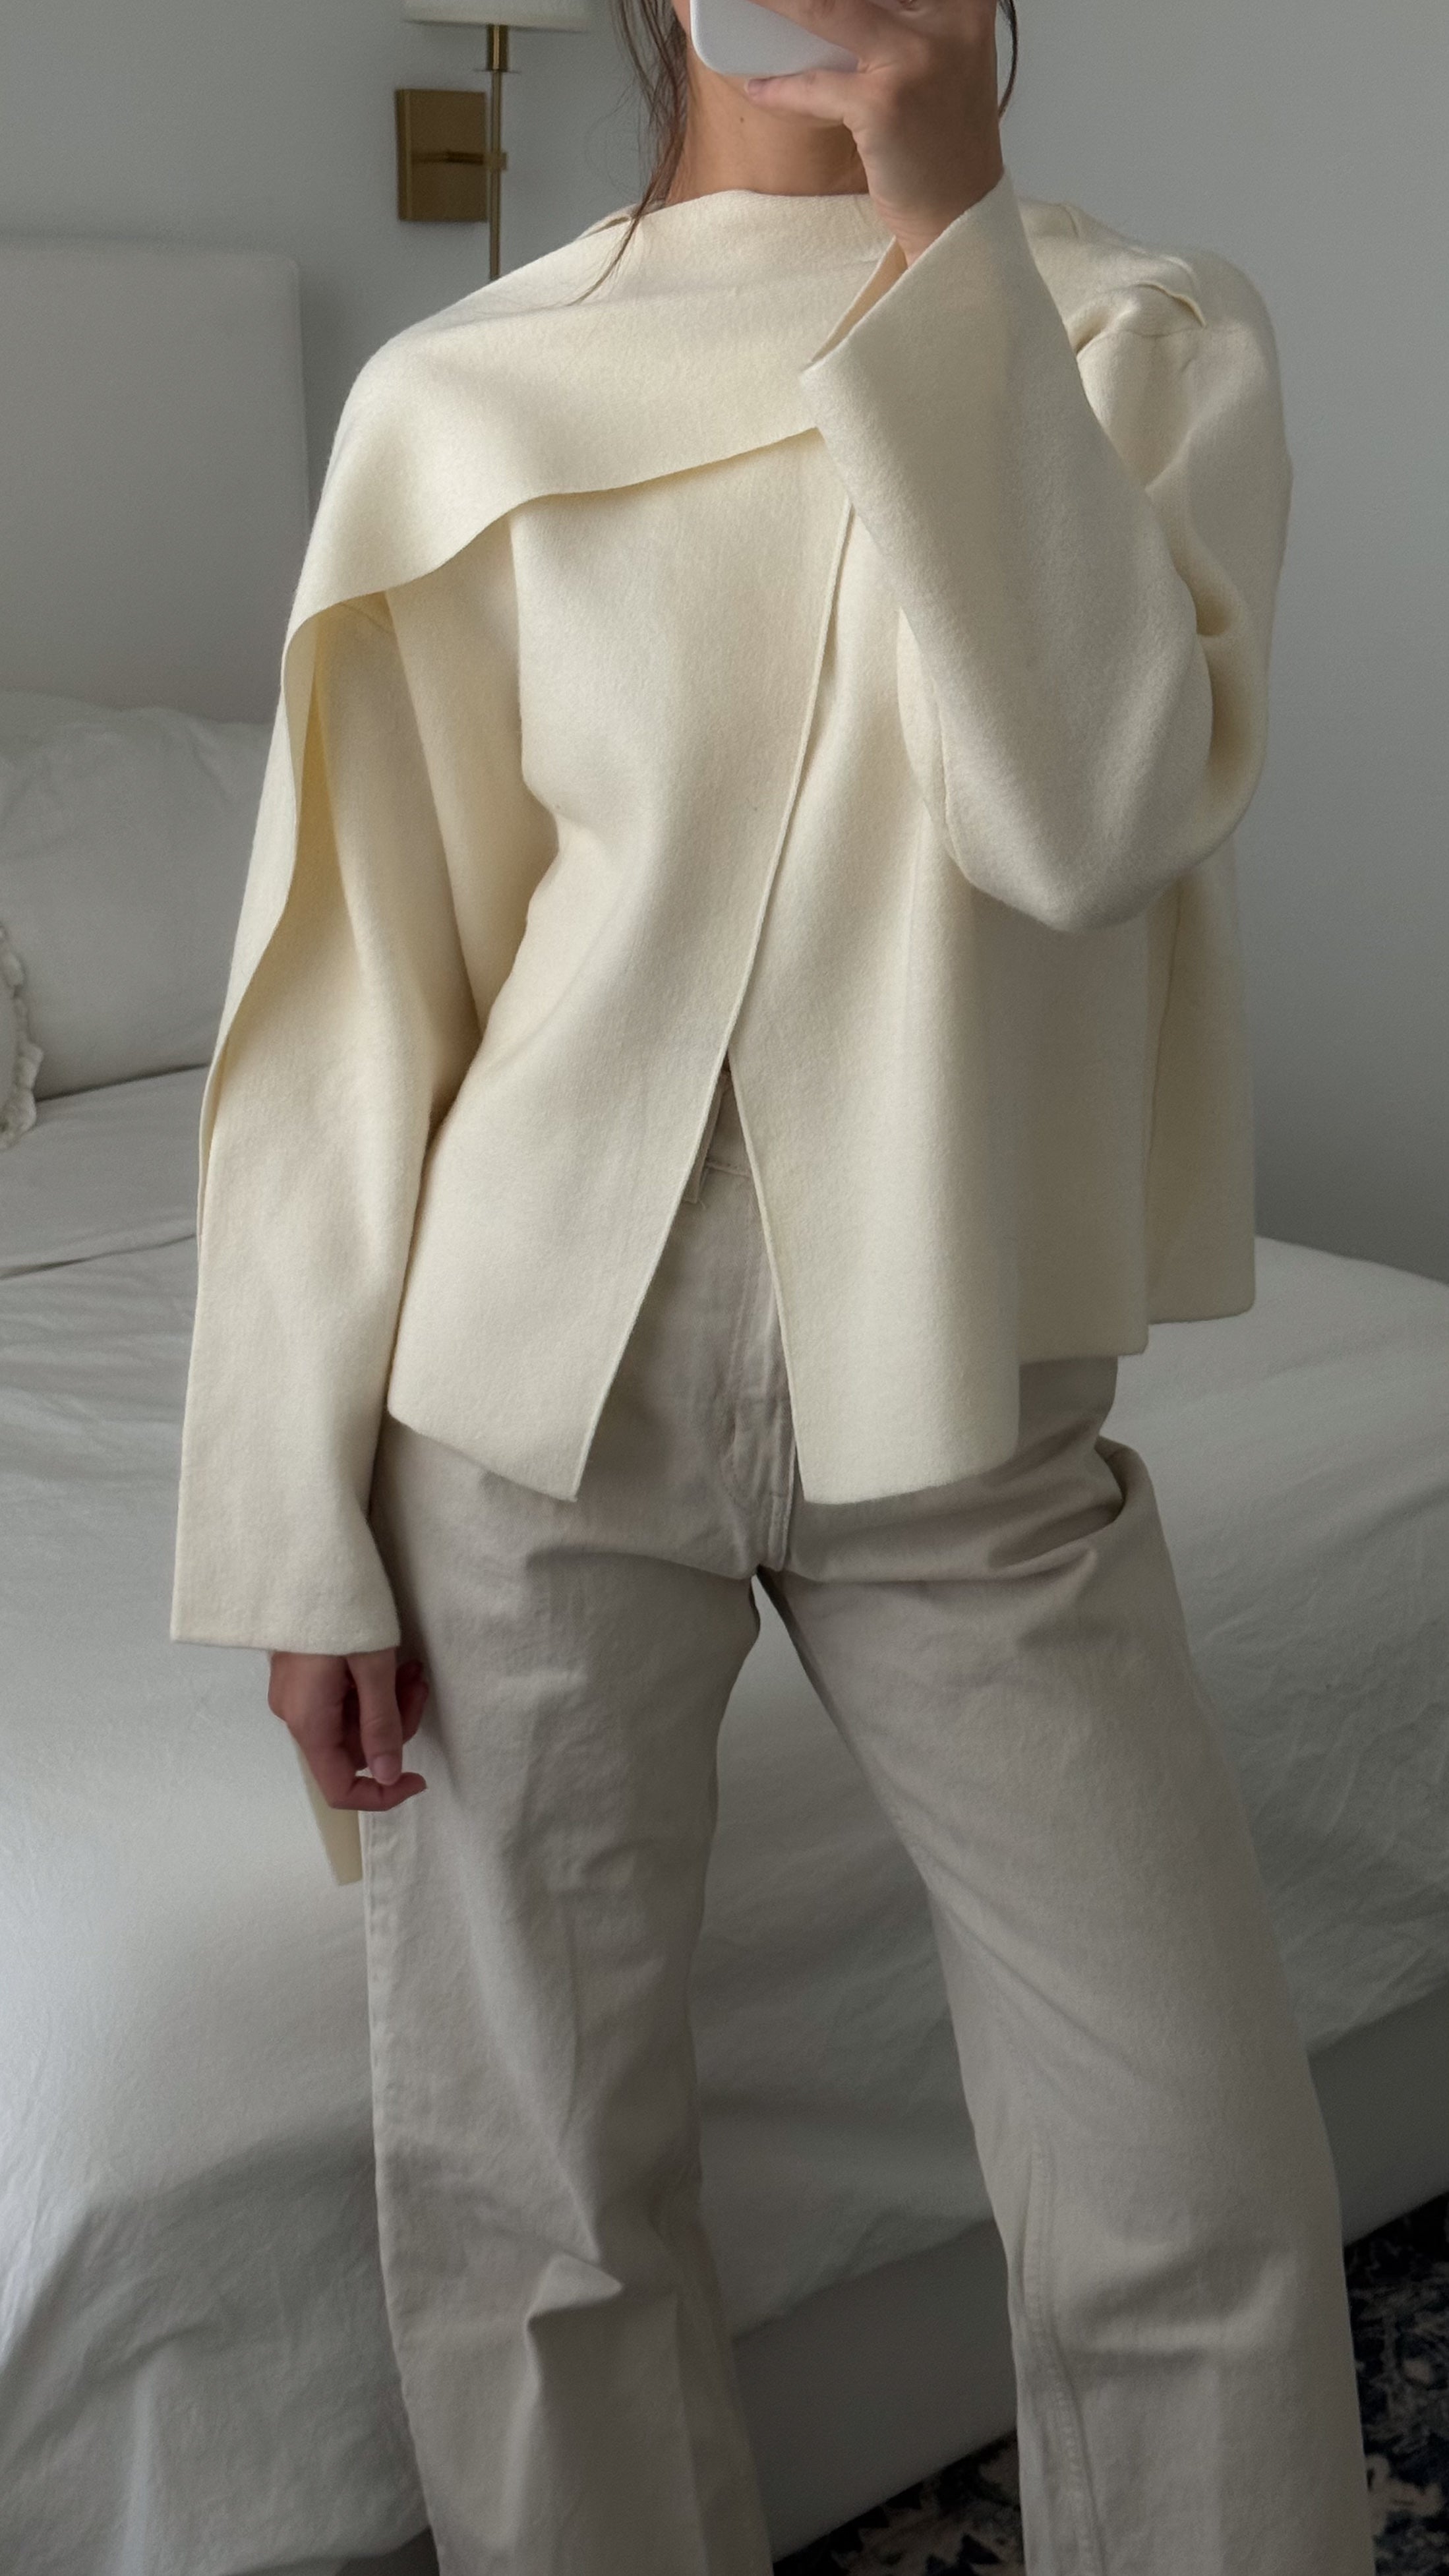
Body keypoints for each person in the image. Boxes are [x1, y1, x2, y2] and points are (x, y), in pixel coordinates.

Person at [169, 0, 1379, 2566]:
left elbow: (1083, 820)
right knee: (536, 2215)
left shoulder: (1137, 335)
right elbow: (357, 987)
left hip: (969, 1401)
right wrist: (290, 1507)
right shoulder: (468, 398)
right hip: (523, 1406)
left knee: (1191, 2181)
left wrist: (942, 232)